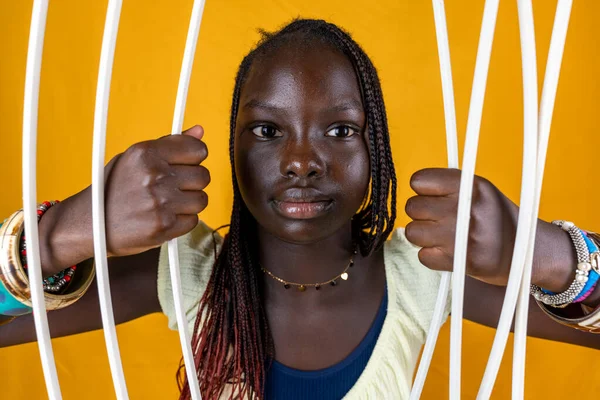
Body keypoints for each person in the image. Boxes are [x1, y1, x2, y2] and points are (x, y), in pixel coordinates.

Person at [0, 19, 598, 400]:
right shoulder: (185, 275)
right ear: (231, 147)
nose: (301, 161)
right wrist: (65, 232)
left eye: (340, 130)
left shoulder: (426, 274)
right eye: (266, 129)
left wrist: (546, 253)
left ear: (377, 151)